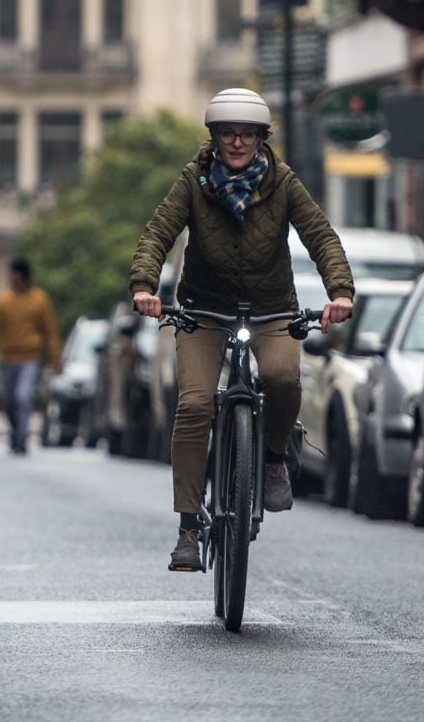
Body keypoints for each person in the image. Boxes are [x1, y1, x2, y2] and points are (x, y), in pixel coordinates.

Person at [129, 88, 355, 571]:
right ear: (214, 138)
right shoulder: (194, 181)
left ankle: (273, 459)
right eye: (228, 134)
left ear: (260, 138)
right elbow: (158, 233)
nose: (237, 143)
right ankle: (189, 527)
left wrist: (340, 291)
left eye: (246, 134)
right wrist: (145, 285)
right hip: (202, 311)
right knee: (193, 404)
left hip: (271, 307)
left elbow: (320, 234)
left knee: (282, 379)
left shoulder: (283, 182)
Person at [0, 257, 62, 455]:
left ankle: (22, 436)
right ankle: (15, 429)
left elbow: (49, 331)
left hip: (29, 358)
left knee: (24, 397)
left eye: (14, 274)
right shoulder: (3, 300)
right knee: (9, 401)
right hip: (8, 358)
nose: (11, 278)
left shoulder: (39, 299)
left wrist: (55, 359)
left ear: (22, 276)